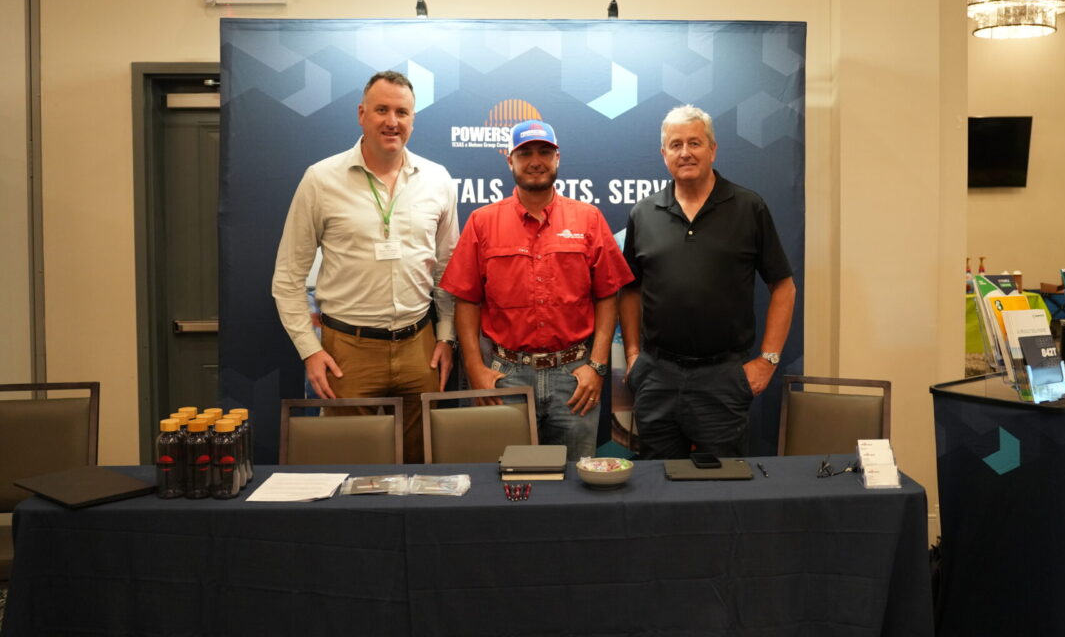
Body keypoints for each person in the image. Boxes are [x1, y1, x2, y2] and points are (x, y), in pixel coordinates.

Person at [272, 70, 458, 464]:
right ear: (361, 114)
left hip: (419, 349)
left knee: (422, 465)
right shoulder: (321, 180)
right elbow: (288, 279)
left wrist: (446, 337)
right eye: (382, 110)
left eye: (402, 112)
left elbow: (446, 271)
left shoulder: (437, 180)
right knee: (346, 466)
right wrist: (309, 350)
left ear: (413, 119)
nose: (392, 121)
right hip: (348, 353)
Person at [440, 119, 633, 460]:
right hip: (506, 377)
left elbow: (607, 295)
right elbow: (467, 300)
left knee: (575, 484)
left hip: (574, 378)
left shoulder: (588, 218)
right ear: (510, 161)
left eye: (544, 152)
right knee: (508, 482)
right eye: (525, 152)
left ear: (557, 158)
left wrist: (598, 366)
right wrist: (475, 369)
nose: (535, 160)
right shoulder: (483, 222)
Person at [618, 105, 795, 459]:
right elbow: (630, 289)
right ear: (663, 154)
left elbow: (783, 287)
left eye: (695, 143)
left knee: (721, 491)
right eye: (676, 144)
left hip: (723, 378)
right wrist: (634, 355)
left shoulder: (748, 207)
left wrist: (768, 359)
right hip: (657, 378)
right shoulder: (644, 213)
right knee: (656, 485)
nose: (685, 152)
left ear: (713, 150)